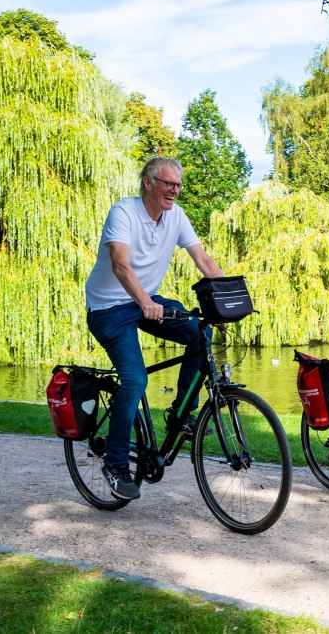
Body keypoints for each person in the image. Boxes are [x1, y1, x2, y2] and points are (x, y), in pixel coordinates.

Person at [84, 157, 224, 500]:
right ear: (148, 182)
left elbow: (202, 259)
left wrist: (231, 294)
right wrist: (145, 300)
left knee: (199, 333)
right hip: (109, 308)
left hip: (147, 301)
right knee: (135, 379)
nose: (174, 190)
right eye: (168, 183)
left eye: (178, 185)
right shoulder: (124, 213)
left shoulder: (175, 215)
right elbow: (120, 264)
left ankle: (181, 414)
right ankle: (115, 464)